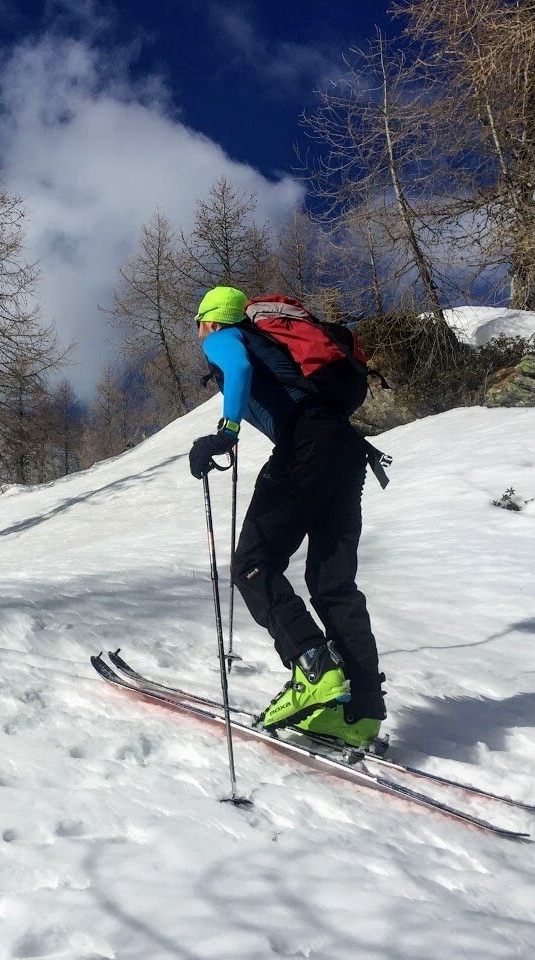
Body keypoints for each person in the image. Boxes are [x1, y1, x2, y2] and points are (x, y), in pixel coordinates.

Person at [188, 285, 386, 748]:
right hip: (346, 450)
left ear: (210, 319)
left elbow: (234, 367)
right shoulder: (278, 347)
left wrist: (226, 432)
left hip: (305, 445)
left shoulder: (226, 334)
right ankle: (362, 714)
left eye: (199, 327)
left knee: (252, 564)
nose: (201, 337)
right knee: (334, 585)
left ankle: (314, 669)